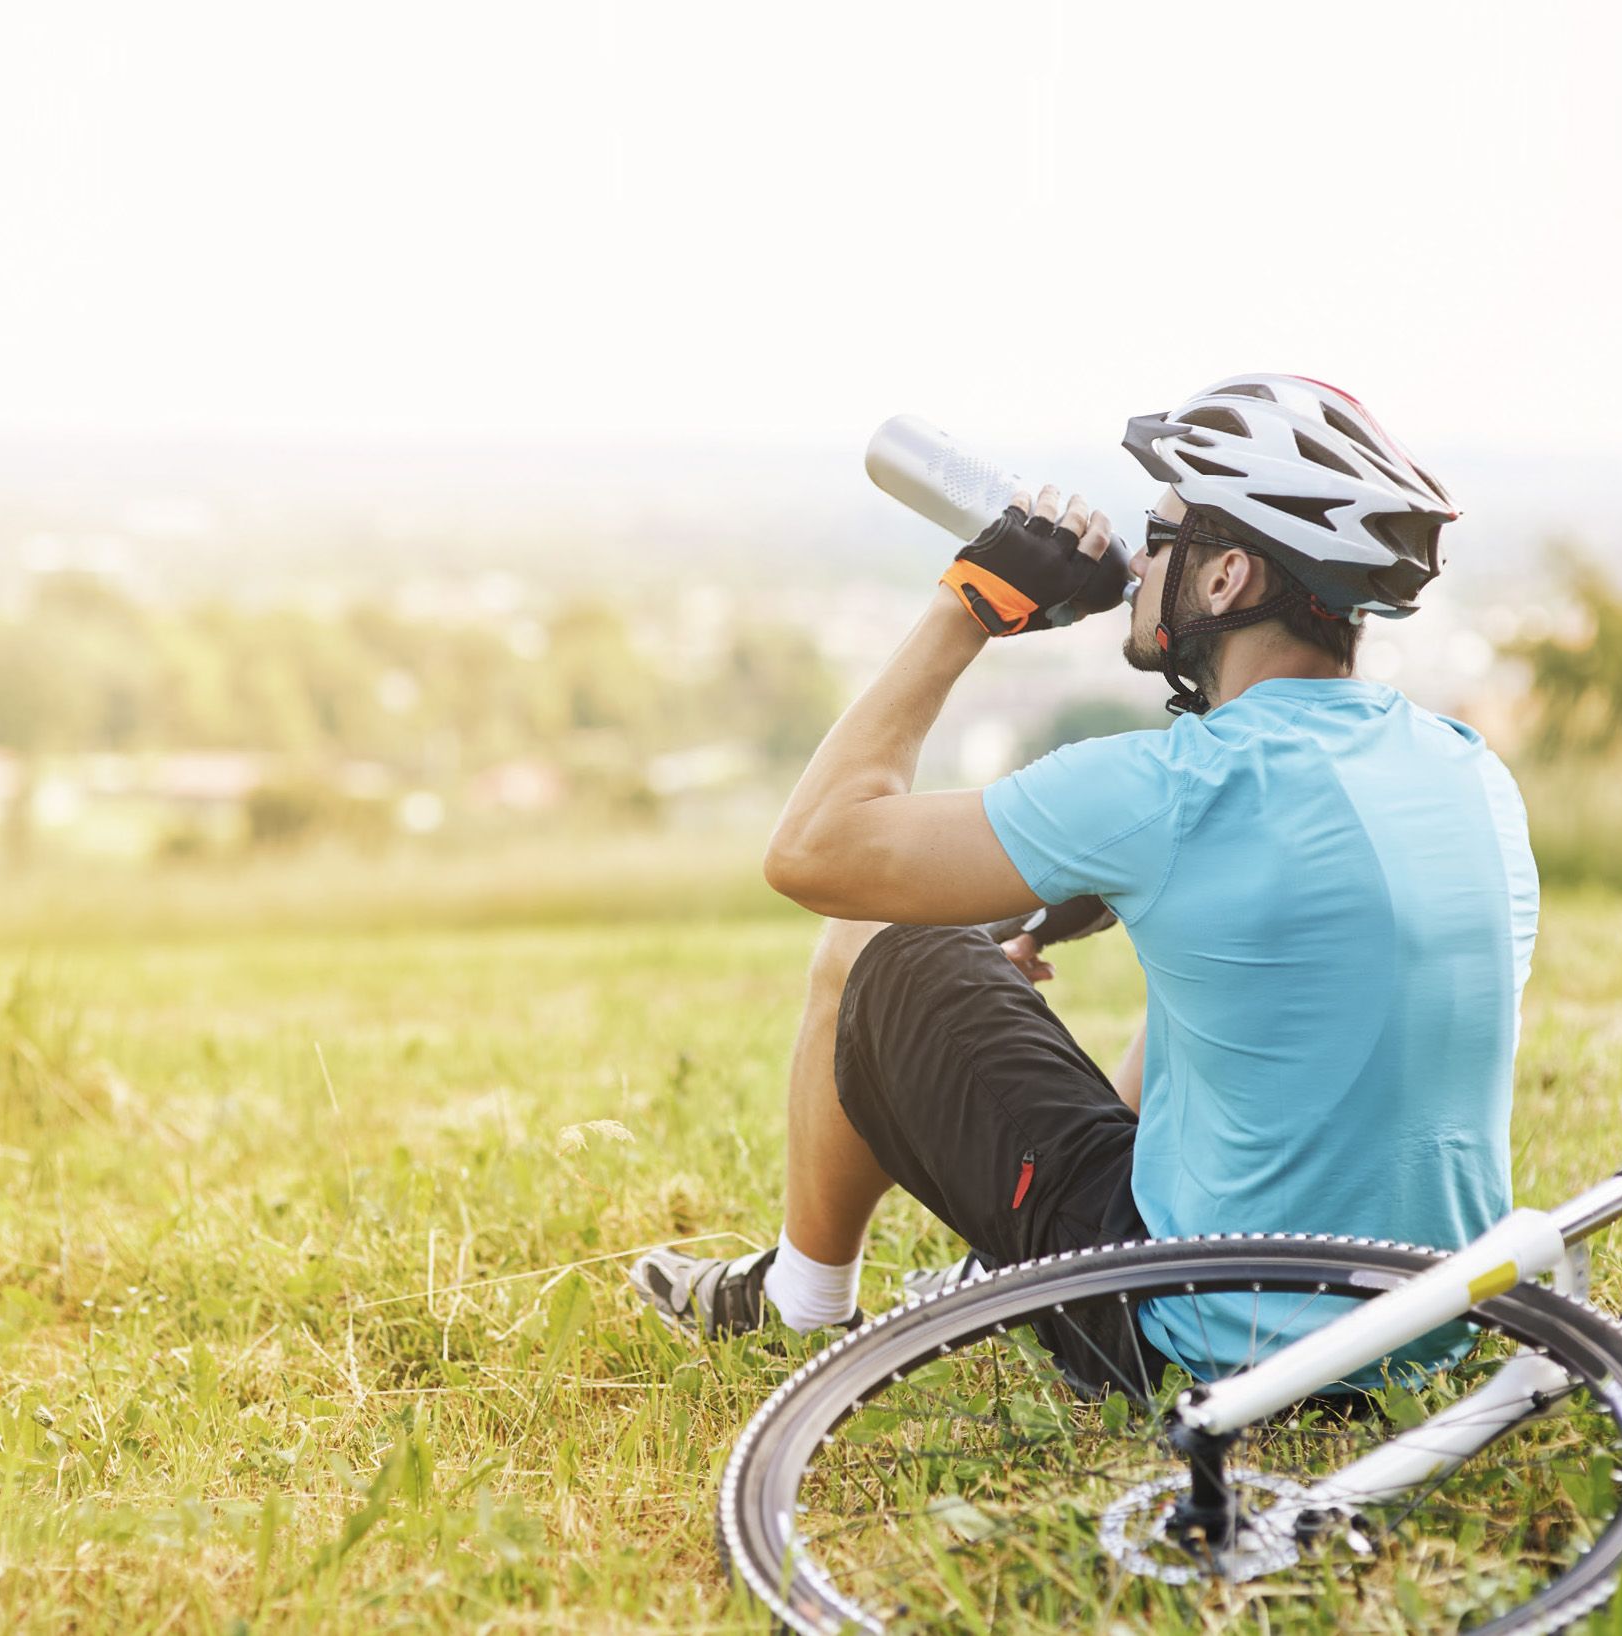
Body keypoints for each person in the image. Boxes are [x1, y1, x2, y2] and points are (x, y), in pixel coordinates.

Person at [630, 374, 1538, 1385]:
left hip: (1202, 1345)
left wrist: (972, 602)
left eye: (1164, 535)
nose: (1144, 560)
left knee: (873, 944)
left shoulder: (1176, 785)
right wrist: (1097, 892)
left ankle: (800, 1306)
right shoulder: (1467, 771)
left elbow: (814, 852)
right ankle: (997, 1265)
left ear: (1227, 576)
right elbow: (1302, 965)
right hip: (1424, 1334)